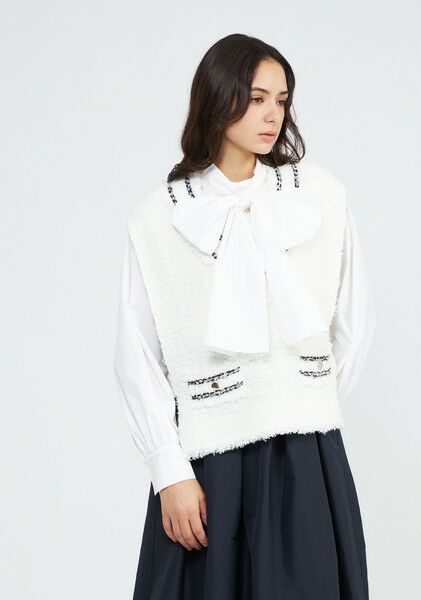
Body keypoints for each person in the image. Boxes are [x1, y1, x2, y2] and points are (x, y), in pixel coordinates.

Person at [113, 33, 376, 600]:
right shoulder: (157, 220)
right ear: (218, 97)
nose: (272, 115)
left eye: (281, 101)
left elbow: (354, 324)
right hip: (207, 465)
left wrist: (305, 399)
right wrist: (169, 470)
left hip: (307, 459)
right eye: (257, 99)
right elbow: (137, 354)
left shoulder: (321, 197)